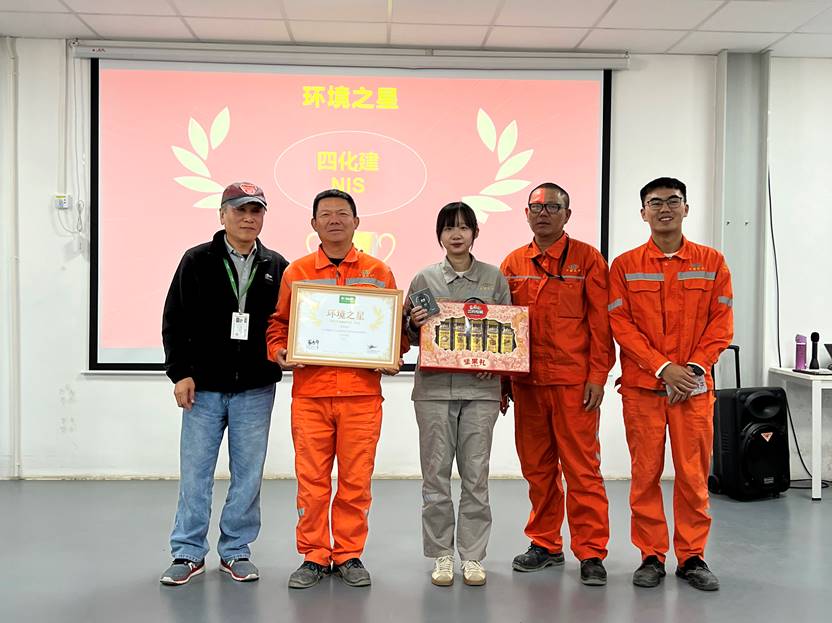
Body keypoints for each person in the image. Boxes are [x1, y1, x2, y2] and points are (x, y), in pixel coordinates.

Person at [266, 189, 407, 589]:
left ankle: (347, 553)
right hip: (311, 395)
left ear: (356, 222)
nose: (334, 220)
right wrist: (278, 351)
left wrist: (394, 354)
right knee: (311, 481)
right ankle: (313, 554)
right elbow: (278, 325)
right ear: (313, 224)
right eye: (325, 214)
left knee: (355, 481)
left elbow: (393, 330)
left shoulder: (378, 271)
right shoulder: (297, 272)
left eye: (342, 213)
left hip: (361, 396)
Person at [159, 182, 289, 586]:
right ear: (222, 215)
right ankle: (187, 551)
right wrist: (180, 372)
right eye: (239, 210)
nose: (248, 218)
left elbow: (287, 322)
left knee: (248, 475)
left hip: (255, 388)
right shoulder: (197, 259)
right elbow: (175, 319)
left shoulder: (277, 265)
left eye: (256, 211)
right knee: (195, 473)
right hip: (204, 387)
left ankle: (236, 550)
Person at [608, 177, 733, 592]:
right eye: (655, 202)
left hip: (693, 390)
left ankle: (692, 557)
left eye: (673, 201)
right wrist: (663, 368)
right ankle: (651, 556)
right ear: (643, 212)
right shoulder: (625, 265)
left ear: (686, 208)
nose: (665, 209)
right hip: (643, 389)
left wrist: (691, 370)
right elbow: (621, 325)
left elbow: (721, 323)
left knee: (693, 476)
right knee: (645, 475)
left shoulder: (712, 262)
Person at [500, 182, 615, 586]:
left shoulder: (588, 259)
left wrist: (598, 376)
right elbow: (502, 327)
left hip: (573, 385)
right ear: (526, 214)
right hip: (528, 385)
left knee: (583, 469)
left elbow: (601, 324)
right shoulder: (513, 263)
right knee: (537, 469)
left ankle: (591, 550)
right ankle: (545, 543)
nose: (544, 213)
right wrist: (503, 382)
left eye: (552, 207)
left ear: (567, 214)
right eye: (537, 207)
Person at [406, 202, 511, 587]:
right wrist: (412, 323)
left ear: (474, 234)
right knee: (435, 477)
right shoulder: (425, 278)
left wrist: (496, 363)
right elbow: (407, 335)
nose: (456, 234)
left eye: (464, 227)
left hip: (481, 391)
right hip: (434, 390)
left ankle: (473, 556)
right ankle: (441, 555)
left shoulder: (493, 278)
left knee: (476, 476)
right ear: (439, 235)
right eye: (449, 228)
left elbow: (508, 333)